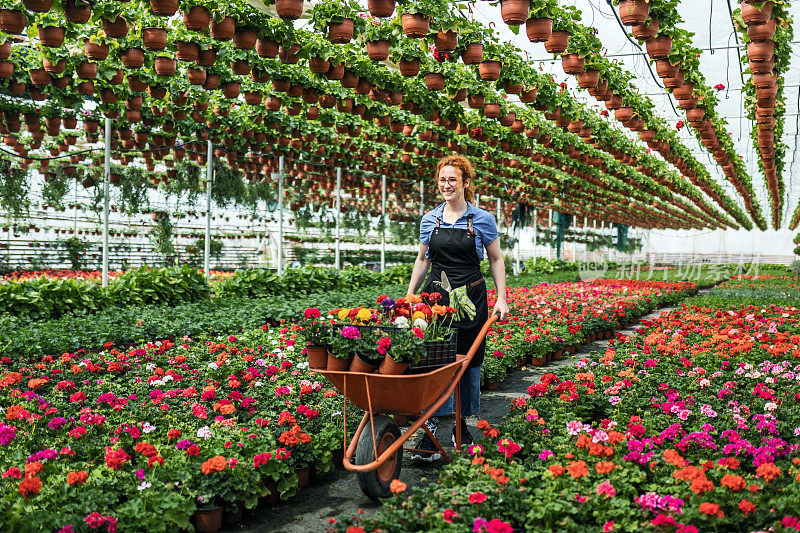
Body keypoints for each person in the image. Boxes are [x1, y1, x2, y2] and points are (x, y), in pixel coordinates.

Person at [406, 154, 509, 462]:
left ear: (466, 183)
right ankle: (430, 425)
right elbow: (423, 259)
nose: (446, 185)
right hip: (435, 302)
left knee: (466, 361)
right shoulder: (429, 219)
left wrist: (502, 297)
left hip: (470, 302)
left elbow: (496, 259)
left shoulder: (482, 219)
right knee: (431, 361)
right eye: (442, 180)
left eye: (452, 179)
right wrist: (410, 295)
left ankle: (460, 423)